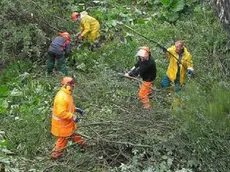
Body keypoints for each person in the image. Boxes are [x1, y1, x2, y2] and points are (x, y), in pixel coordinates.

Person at [50, 77, 86, 160]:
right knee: (62, 141)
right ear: (66, 85)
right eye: (71, 85)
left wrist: (76, 109)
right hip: (62, 125)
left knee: (74, 134)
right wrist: (72, 116)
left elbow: (69, 107)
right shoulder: (61, 97)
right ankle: (55, 155)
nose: (73, 87)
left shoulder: (67, 94)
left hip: (68, 123)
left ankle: (83, 145)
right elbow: (61, 112)